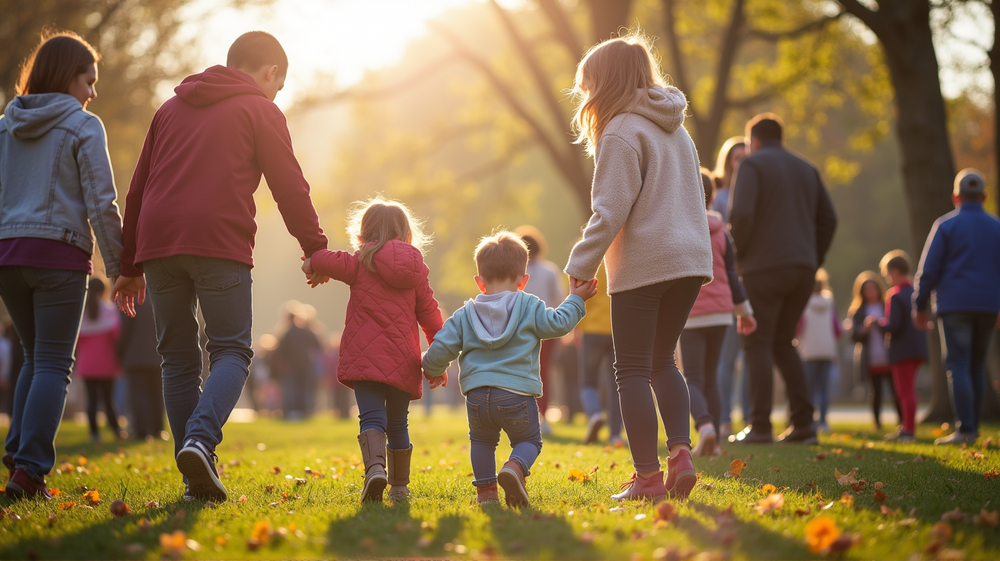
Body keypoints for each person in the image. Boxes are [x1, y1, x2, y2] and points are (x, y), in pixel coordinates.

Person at [112, 31, 329, 502]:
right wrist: (313, 246)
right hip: (217, 238)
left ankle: (196, 480)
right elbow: (288, 185)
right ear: (270, 72)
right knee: (232, 350)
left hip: (159, 242)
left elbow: (136, 189)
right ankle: (200, 442)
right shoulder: (259, 109)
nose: (276, 95)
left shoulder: (169, 109)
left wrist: (129, 264)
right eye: (279, 85)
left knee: (177, 357)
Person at [563, 35, 713, 501]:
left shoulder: (621, 131)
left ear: (604, 83)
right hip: (690, 262)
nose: (585, 96)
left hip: (646, 264)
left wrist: (580, 265)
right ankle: (681, 455)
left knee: (629, 369)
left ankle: (648, 477)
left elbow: (610, 211)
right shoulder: (677, 129)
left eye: (588, 86)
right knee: (662, 361)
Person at [0, 32, 124, 500]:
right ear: (64, 75)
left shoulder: (3, 127)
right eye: (87, 80)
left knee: (35, 357)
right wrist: (119, 266)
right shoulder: (82, 125)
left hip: (8, 256)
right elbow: (102, 202)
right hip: (58, 254)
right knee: (53, 360)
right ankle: (31, 470)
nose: (92, 92)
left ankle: (17, 456)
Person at [422, 231, 593, 507]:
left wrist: (432, 369)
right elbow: (559, 324)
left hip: (477, 396)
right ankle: (514, 467)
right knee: (529, 441)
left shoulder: (465, 314)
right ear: (523, 281)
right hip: (516, 394)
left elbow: (441, 347)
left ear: (479, 282)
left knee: (481, 442)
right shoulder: (529, 305)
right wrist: (576, 299)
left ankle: (486, 495)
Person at [305, 198, 443, 503]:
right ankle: (400, 488)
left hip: (364, 359)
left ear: (362, 234)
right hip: (403, 361)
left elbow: (323, 258)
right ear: (407, 234)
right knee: (398, 422)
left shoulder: (358, 263)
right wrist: (439, 359)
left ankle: (375, 470)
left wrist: (311, 262)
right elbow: (431, 315)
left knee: (370, 418)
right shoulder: (417, 271)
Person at [727, 113, 837, 445]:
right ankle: (804, 425)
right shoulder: (807, 169)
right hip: (803, 269)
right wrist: (812, 258)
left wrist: (739, 257)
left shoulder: (752, 165)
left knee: (758, 342)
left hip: (763, 268)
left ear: (754, 141)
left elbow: (742, 215)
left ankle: (759, 426)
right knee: (783, 344)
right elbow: (828, 219)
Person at [913, 169, 1000, 445]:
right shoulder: (997, 226)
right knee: (976, 366)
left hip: (954, 306)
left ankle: (966, 430)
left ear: (955, 196)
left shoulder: (945, 225)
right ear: (984, 197)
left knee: (958, 365)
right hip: (988, 305)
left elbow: (929, 270)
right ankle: (972, 428)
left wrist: (920, 303)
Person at [681, 170, 756, 457]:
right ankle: (714, 444)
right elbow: (732, 276)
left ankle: (705, 427)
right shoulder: (722, 231)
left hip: (691, 312)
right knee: (710, 377)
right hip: (722, 313)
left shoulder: (681, 226)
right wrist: (745, 313)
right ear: (712, 195)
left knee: (693, 379)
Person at [712, 137, 748, 440]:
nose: (740, 163)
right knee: (726, 357)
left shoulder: (755, 192)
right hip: (725, 283)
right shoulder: (721, 197)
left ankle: (748, 417)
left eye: (745, 157)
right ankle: (723, 419)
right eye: (735, 158)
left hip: (746, 282)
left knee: (746, 356)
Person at [513, 225, 566, 435]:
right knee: (544, 374)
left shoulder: (515, 273)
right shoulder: (550, 270)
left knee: (520, 373)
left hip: (519, 331)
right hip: (546, 330)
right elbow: (559, 300)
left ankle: (523, 417)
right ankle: (543, 418)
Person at [878, 251, 927, 442]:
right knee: (909, 389)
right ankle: (907, 427)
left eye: (887, 274)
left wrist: (878, 324)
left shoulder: (895, 294)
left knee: (904, 391)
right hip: (918, 349)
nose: (887, 279)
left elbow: (893, 326)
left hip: (902, 350)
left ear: (894, 271)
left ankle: (908, 430)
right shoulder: (916, 292)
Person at [578, 263, 624, 446]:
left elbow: (579, 297)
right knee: (617, 385)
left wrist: (576, 329)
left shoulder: (589, 262)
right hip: (617, 329)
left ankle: (595, 413)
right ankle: (615, 434)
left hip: (591, 330)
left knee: (588, 381)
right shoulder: (620, 258)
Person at [847, 271, 899, 431]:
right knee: (876, 392)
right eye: (867, 289)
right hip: (871, 358)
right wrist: (864, 328)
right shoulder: (858, 311)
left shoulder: (887, 305)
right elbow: (853, 336)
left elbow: (895, 326)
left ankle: (902, 421)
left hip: (889, 355)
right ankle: (877, 422)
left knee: (896, 390)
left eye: (873, 288)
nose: (870, 292)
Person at [76, 278, 124, 442]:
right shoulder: (110, 311)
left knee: (92, 400)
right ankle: (116, 430)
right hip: (106, 363)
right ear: (102, 291)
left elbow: (78, 340)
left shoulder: (81, 313)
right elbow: (116, 335)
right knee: (108, 399)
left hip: (87, 364)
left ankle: (94, 433)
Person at [796, 269, 841, 433]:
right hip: (827, 351)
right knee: (823, 389)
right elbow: (838, 329)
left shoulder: (804, 302)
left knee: (810, 389)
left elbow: (798, 329)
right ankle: (823, 422)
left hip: (809, 351)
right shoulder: (830, 302)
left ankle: (810, 420)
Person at [118, 299, 164, 440]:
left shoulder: (132, 301)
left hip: (135, 356)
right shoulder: (159, 299)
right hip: (158, 355)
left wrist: (119, 352)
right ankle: (158, 429)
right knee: (157, 394)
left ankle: (142, 430)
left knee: (138, 395)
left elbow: (124, 331)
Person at [273, 304, 321, 419]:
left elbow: (280, 351)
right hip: (305, 364)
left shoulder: (287, 333)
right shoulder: (305, 331)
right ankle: (304, 411)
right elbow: (318, 345)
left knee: (292, 389)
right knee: (304, 389)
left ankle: (291, 411)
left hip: (291, 366)